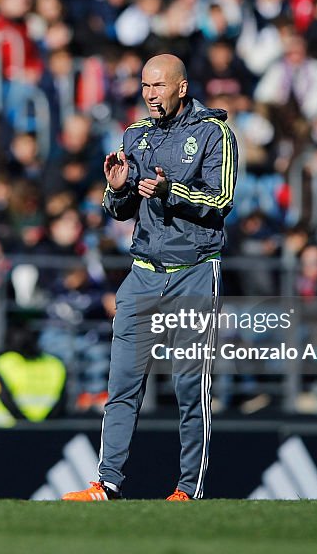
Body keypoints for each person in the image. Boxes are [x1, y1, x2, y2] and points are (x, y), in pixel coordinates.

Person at [62, 54, 238, 502]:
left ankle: (187, 490)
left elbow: (221, 200)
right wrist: (117, 188)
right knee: (121, 384)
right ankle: (107, 483)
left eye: (158, 86)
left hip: (195, 272)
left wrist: (169, 190)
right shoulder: (135, 135)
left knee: (189, 387)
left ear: (181, 88)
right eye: (144, 86)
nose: (149, 95)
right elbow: (120, 209)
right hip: (142, 273)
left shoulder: (214, 132)